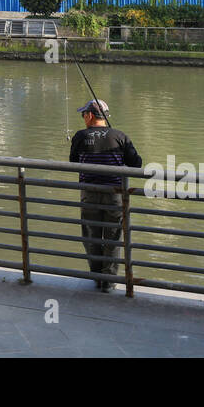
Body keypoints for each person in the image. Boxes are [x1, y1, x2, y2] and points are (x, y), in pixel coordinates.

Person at [68, 98, 142, 292]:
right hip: (115, 194)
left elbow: (72, 161)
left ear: (90, 116)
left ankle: (97, 276)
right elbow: (136, 163)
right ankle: (108, 282)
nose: (83, 118)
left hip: (89, 194)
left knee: (91, 236)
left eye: (83, 114)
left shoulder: (80, 136)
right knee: (113, 237)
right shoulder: (120, 136)